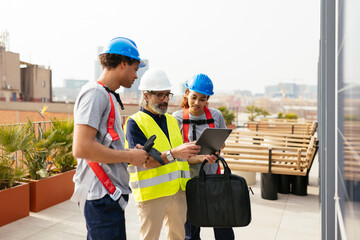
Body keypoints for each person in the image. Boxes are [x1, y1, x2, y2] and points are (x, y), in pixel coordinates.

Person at [124, 68, 217, 240]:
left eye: (168, 95)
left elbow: (182, 157)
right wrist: (174, 153)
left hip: (179, 192)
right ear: (146, 95)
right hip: (152, 196)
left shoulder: (172, 120)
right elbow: (145, 161)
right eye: (160, 95)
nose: (165, 100)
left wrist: (203, 158)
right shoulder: (134, 123)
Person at [71, 37, 149, 240]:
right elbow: (82, 148)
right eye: (135, 69)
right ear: (123, 64)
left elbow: (104, 143)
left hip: (108, 197)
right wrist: (129, 156)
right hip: (101, 196)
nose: (136, 76)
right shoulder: (94, 93)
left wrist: (131, 153)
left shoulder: (108, 95)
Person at [172, 73, 235, 240]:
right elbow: (177, 155)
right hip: (189, 182)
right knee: (191, 231)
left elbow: (222, 143)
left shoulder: (216, 116)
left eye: (202, 99)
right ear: (187, 94)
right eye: (194, 97)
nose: (197, 103)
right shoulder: (177, 118)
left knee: (223, 225)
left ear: (208, 99)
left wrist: (216, 150)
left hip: (213, 178)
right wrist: (200, 156)